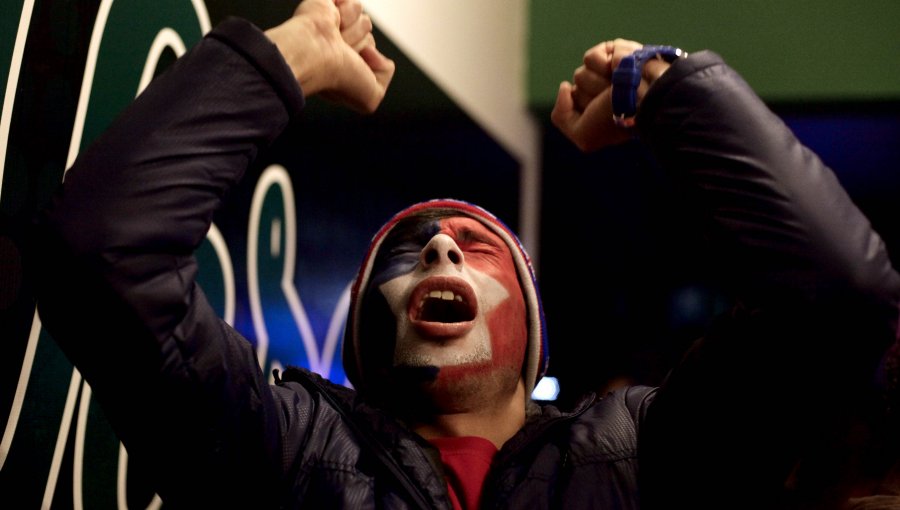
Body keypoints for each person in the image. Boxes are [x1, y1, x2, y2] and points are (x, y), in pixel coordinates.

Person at [30, 0, 900, 508]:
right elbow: (104, 255)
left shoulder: (647, 456)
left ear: (532, 341)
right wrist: (287, 59)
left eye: (474, 246)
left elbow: (838, 293)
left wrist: (663, 91)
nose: (440, 243)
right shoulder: (284, 451)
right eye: (409, 251)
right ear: (367, 340)